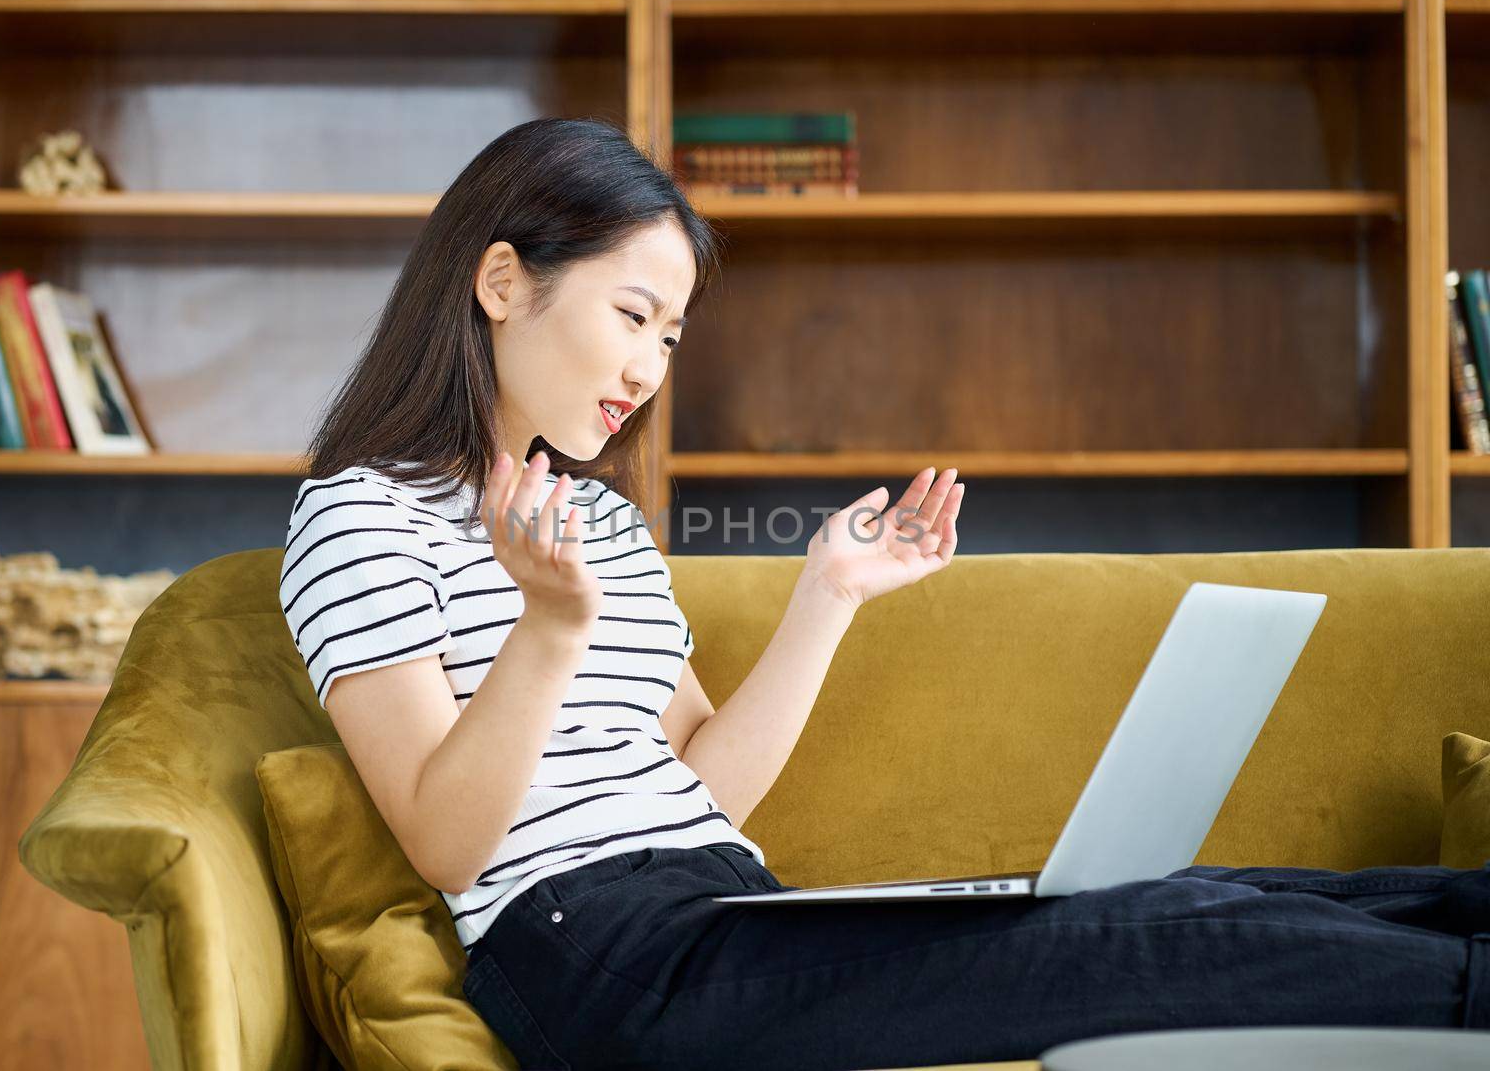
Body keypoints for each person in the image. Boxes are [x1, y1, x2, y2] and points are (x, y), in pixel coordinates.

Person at [278, 117, 1489, 1070]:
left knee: (1191, 896)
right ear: (501, 281)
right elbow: (445, 841)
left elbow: (699, 791)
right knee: (1124, 944)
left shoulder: (593, 518)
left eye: (673, 338)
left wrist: (829, 596)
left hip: (722, 902)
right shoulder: (356, 516)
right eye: (633, 317)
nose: (649, 370)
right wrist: (548, 633)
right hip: (597, 960)